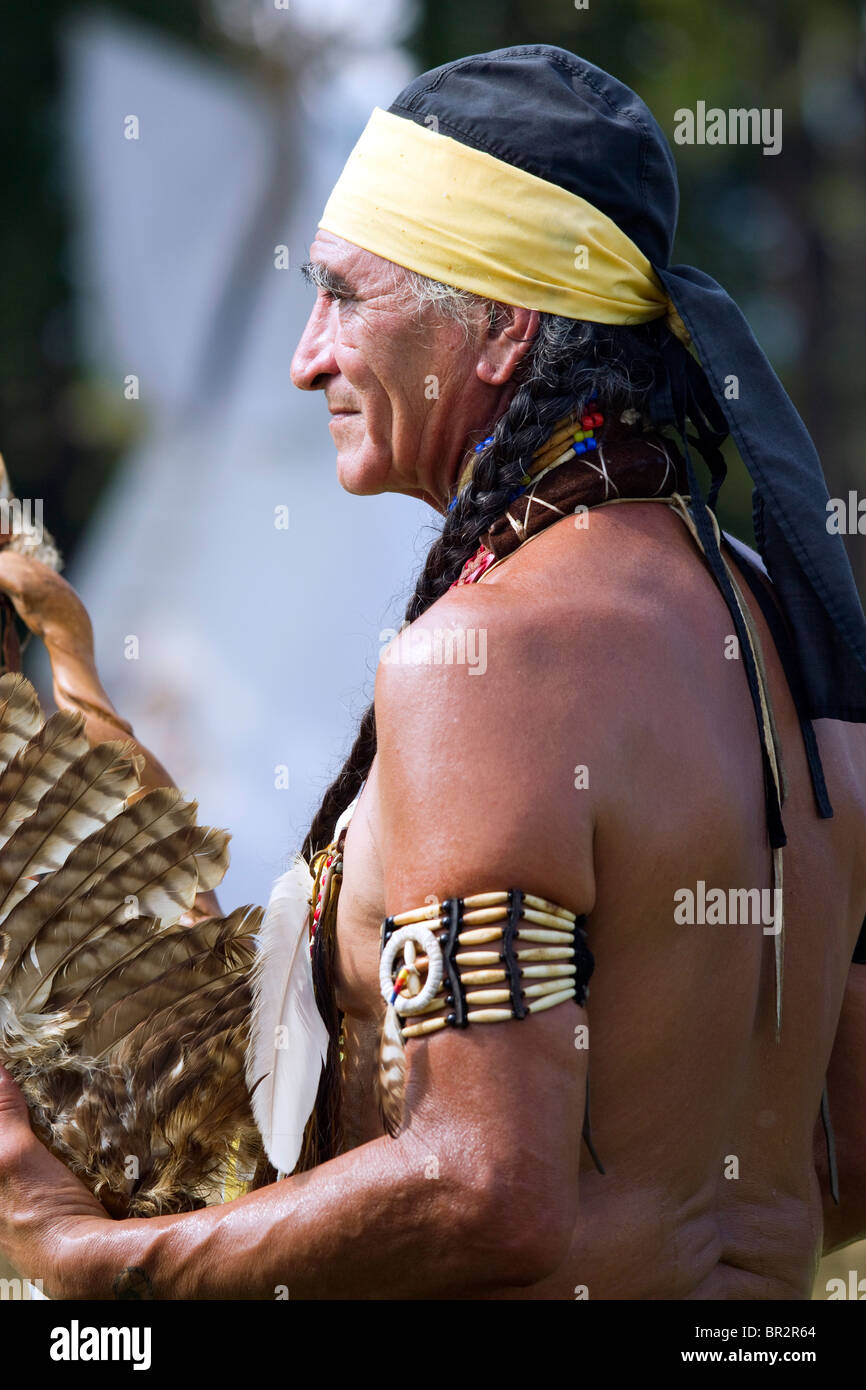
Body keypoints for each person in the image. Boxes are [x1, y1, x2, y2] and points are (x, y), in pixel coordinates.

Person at [0, 44, 865, 1301]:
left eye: (345, 299)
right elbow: (843, 1134)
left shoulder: (490, 661)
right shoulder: (790, 631)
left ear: (505, 327)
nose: (306, 359)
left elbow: (482, 1192)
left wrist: (104, 1264)